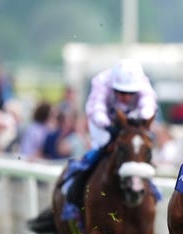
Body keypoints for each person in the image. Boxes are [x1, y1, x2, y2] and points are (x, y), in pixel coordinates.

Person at [60, 58, 158, 219]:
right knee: (104, 146)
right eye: (121, 92)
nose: (126, 97)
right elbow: (96, 109)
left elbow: (148, 105)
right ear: (114, 87)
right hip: (103, 122)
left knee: (138, 149)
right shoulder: (101, 82)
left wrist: (141, 122)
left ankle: (153, 190)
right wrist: (108, 126)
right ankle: (75, 191)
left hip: (132, 121)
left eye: (130, 93)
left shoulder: (143, 84)